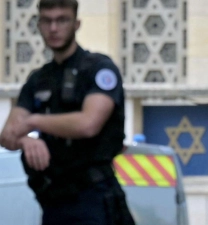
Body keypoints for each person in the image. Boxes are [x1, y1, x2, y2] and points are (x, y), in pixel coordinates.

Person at [0, 0, 135, 224]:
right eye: (47, 21)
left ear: (76, 24)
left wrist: (34, 121)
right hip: (54, 202)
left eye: (62, 20)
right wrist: (25, 141)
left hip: (95, 198)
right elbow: (8, 134)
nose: (54, 28)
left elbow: (88, 124)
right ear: (39, 25)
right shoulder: (38, 79)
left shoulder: (98, 69)